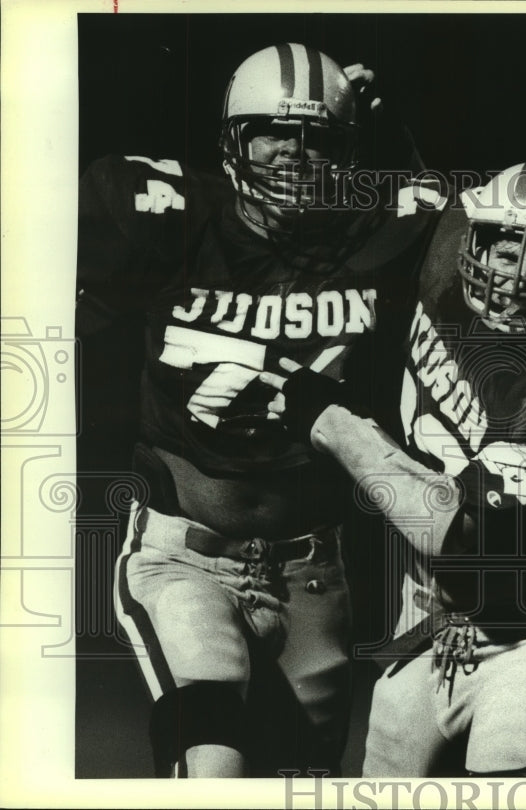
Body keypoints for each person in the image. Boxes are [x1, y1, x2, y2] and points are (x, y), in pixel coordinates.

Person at [76, 42, 443, 777]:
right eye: (273, 133)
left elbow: (444, 210)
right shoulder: (177, 219)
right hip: (185, 557)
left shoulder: (372, 233)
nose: (292, 155)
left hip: (315, 575)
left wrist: (392, 133)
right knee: (212, 763)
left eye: (317, 138)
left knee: (304, 779)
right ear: (230, 141)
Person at [263, 161, 526, 776]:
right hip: (426, 621)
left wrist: (337, 426)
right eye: (500, 247)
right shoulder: (442, 252)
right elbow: (402, 181)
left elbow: (471, 550)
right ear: (471, 238)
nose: (515, 273)